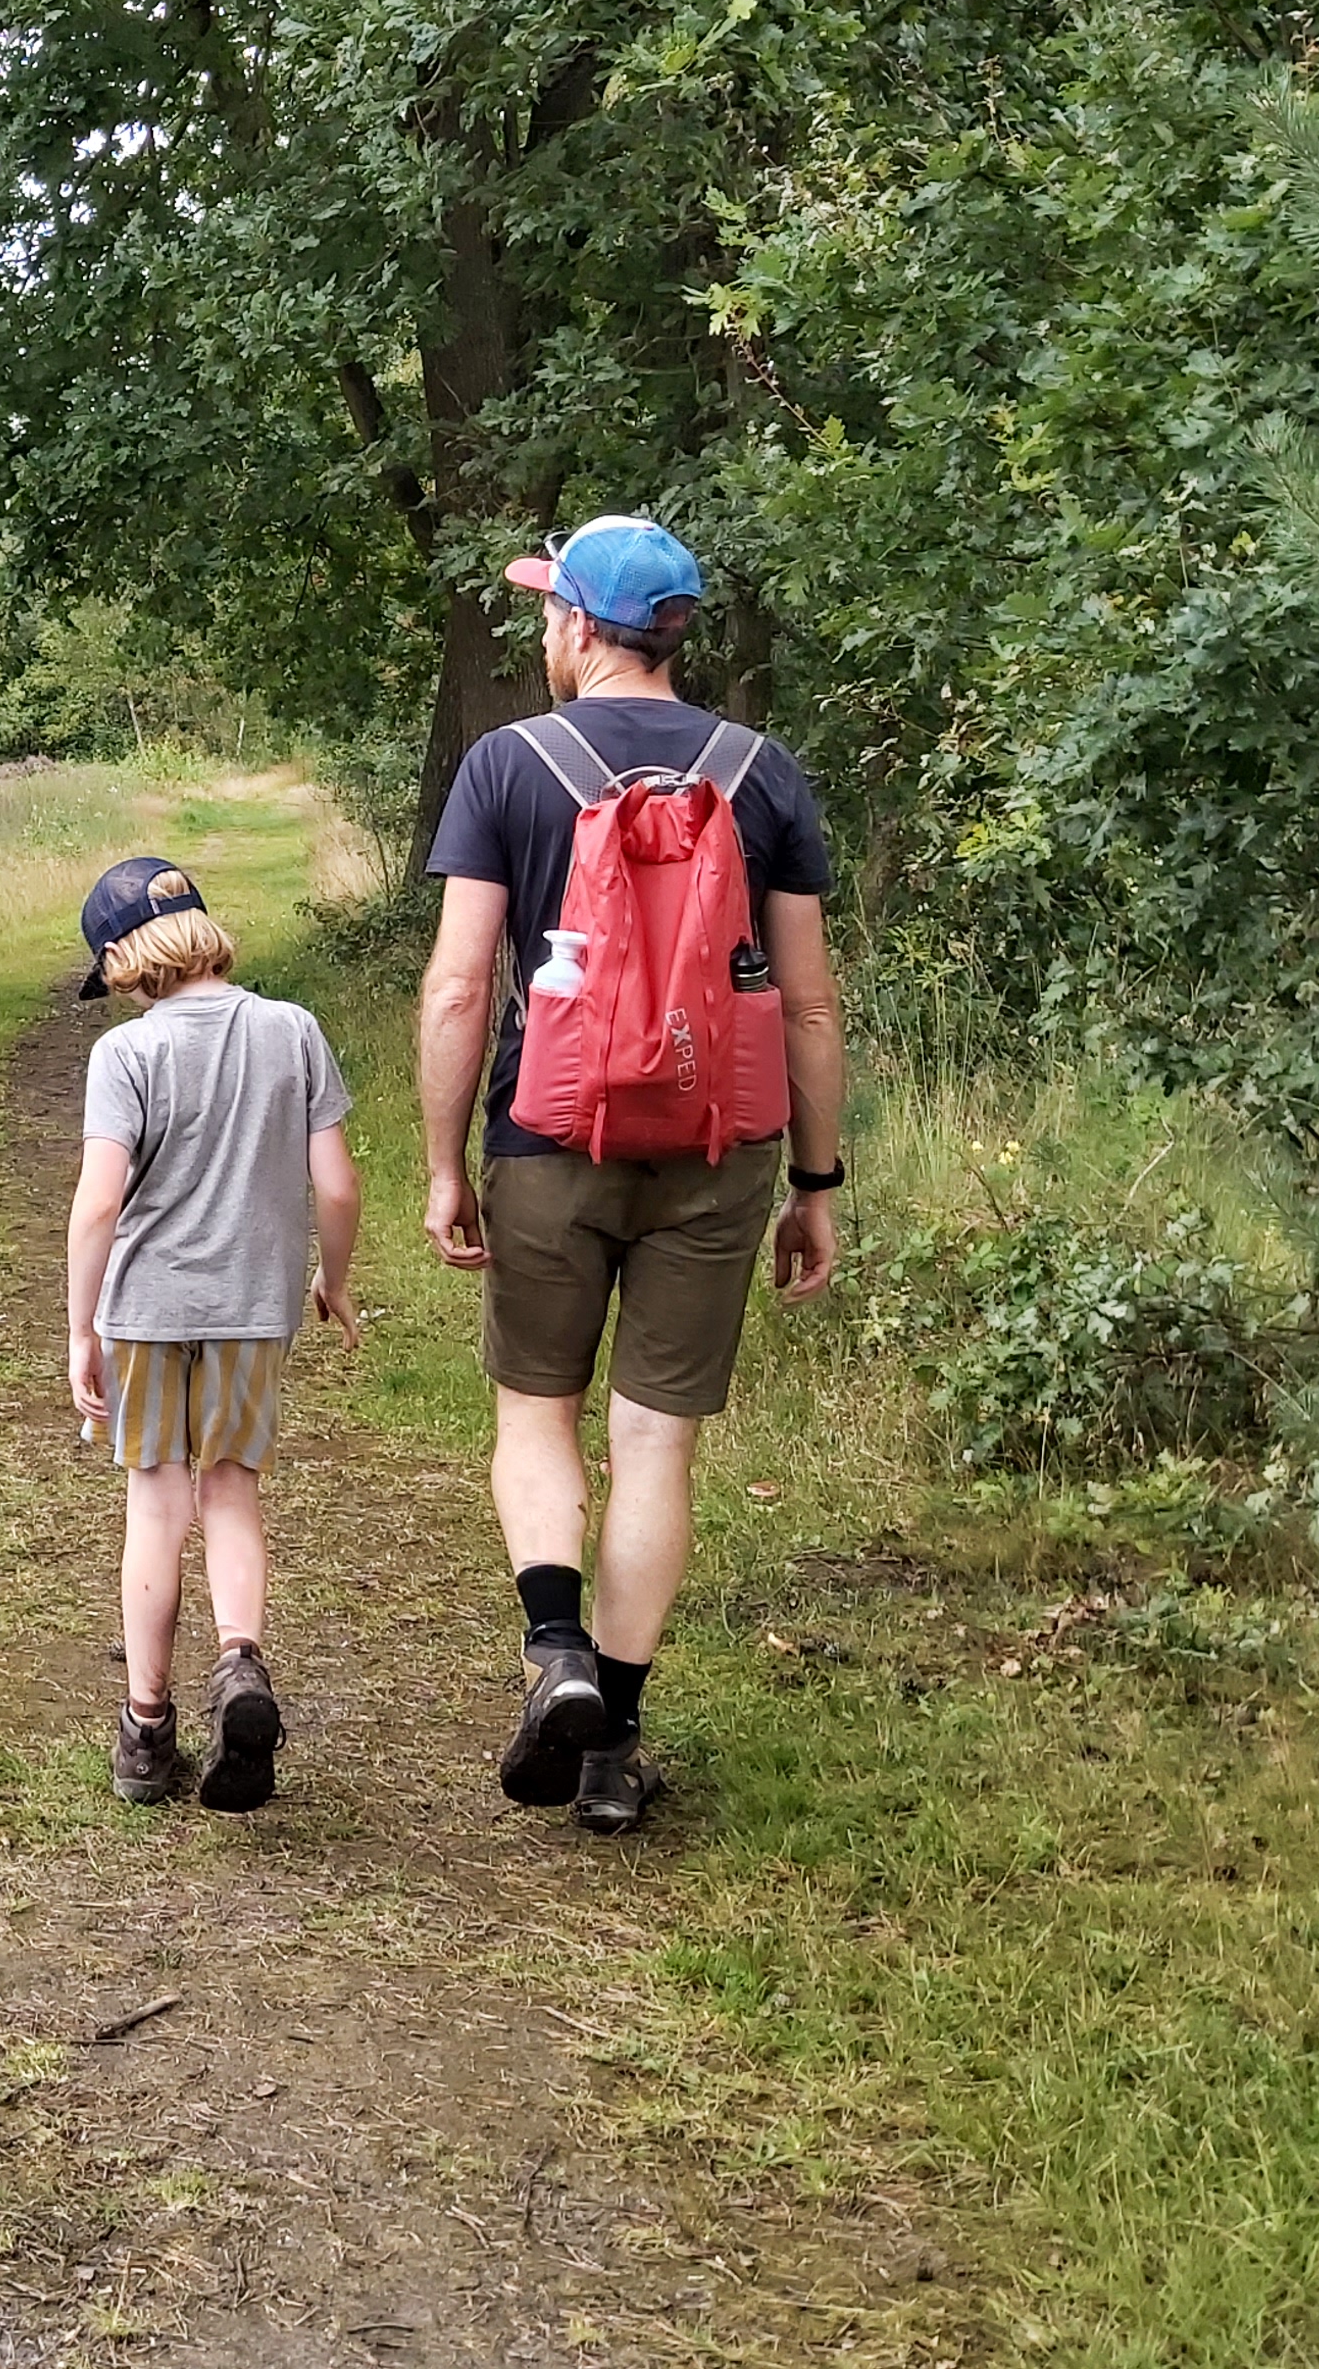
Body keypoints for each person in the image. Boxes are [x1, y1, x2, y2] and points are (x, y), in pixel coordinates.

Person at [417, 516, 847, 1833]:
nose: (544, 627)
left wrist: (446, 1164)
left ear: (581, 629)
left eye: (551, 609)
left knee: (537, 1413)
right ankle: (617, 1743)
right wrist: (816, 1182)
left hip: (547, 1137)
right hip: (719, 1151)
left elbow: (458, 985)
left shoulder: (508, 765)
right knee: (658, 1441)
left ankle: (555, 1658)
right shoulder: (760, 772)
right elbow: (811, 1006)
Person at [65, 858, 362, 1810]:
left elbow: (97, 1207)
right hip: (252, 1308)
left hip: (147, 1313)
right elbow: (340, 1185)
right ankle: (240, 1665)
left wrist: (82, 1330)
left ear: (121, 957)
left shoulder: (128, 1055)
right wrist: (335, 1279)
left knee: (156, 1506)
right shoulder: (293, 1030)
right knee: (231, 1493)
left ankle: (147, 1730)